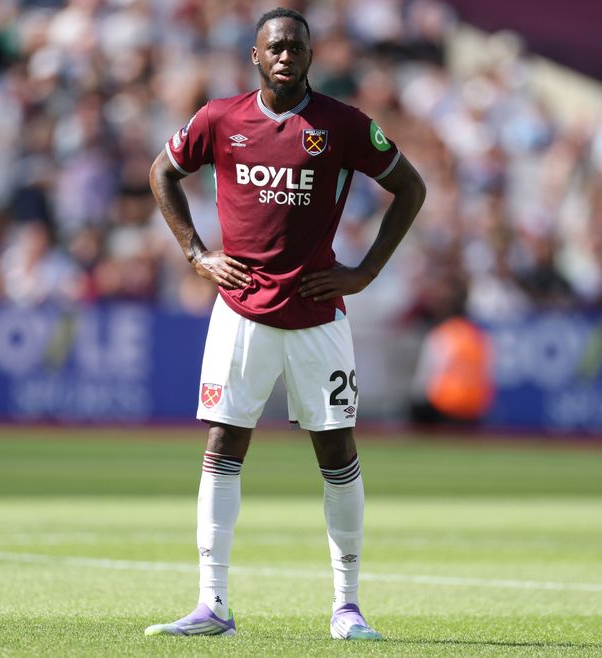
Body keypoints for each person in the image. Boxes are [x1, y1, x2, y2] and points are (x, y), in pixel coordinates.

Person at [144, 7, 425, 641]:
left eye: (295, 47)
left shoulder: (342, 124)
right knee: (223, 445)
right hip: (240, 309)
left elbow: (411, 188)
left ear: (310, 56)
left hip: (316, 312)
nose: (284, 56)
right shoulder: (220, 119)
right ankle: (213, 604)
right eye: (274, 47)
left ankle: (347, 607)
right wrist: (196, 253)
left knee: (337, 451)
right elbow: (161, 171)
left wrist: (366, 271)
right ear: (255, 54)